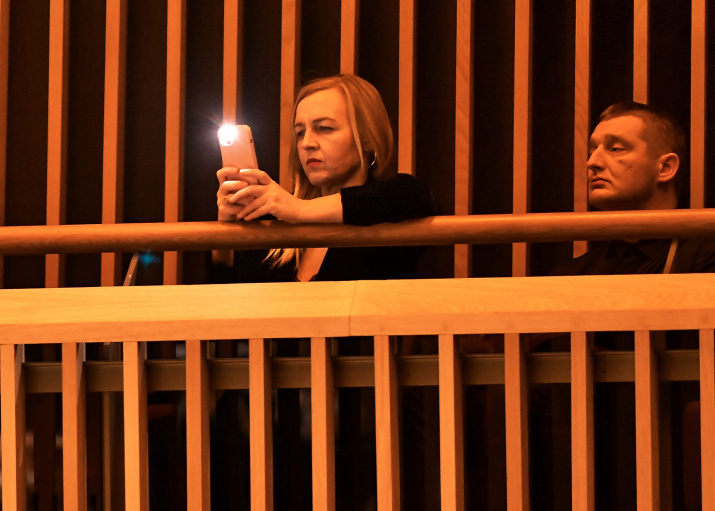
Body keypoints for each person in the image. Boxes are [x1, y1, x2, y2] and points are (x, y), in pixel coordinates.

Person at [209, 74, 439, 511]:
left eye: (325, 128)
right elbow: (227, 308)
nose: (308, 142)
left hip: (360, 421)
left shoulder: (392, 206)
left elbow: (412, 196)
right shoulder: (275, 231)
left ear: (367, 139)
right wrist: (228, 231)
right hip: (268, 424)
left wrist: (297, 209)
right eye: (300, 132)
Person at [532, 101, 715, 511]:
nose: (593, 162)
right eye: (592, 150)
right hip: (585, 461)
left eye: (616, 148)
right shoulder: (572, 273)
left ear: (665, 168)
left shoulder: (706, 253)